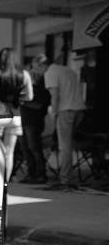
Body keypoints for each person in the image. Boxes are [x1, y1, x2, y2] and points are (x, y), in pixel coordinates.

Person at [0, 47, 33, 182]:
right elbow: (30, 97)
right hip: (15, 116)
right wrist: (18, 97)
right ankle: (5, 185)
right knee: (8, 153)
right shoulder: (24, 75)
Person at [44, 52, 85, 189]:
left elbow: (55, 95)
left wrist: (53, 113)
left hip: (65, 110)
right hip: (79, 109)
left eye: (35, 68)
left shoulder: (50, 72)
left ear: (41, 65)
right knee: (68, 144)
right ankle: (66, 175)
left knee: (64, 146)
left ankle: (65, 179)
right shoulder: (68, 70)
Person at [18, 54, 51, 184]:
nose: (33, 70)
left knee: (35, 148)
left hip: (34, 122)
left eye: (36, 67)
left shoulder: (44, 85)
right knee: (25, 149)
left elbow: (40, 105)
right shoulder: (26, 87)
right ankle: (30, 174)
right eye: (32, 67)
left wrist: (24, 102)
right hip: (23, 121)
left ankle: (41, 175)